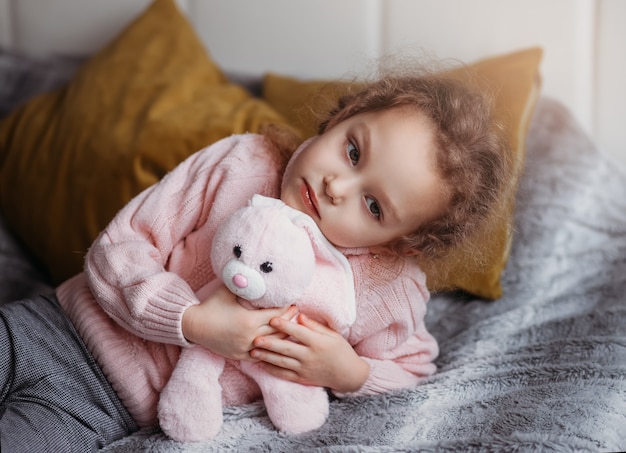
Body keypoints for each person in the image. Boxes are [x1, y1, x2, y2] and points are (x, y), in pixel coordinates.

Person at [0, 69, 512, 451]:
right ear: (342, 117)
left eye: (374, 206)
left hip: (98, 407)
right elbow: (119, 248)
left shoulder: (386, 284)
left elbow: (413, 368)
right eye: (353, 151)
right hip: (52, 325)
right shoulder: (242, 162)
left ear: (398, 244)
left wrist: (348, 372)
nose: (337, 185)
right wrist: (191, 321)